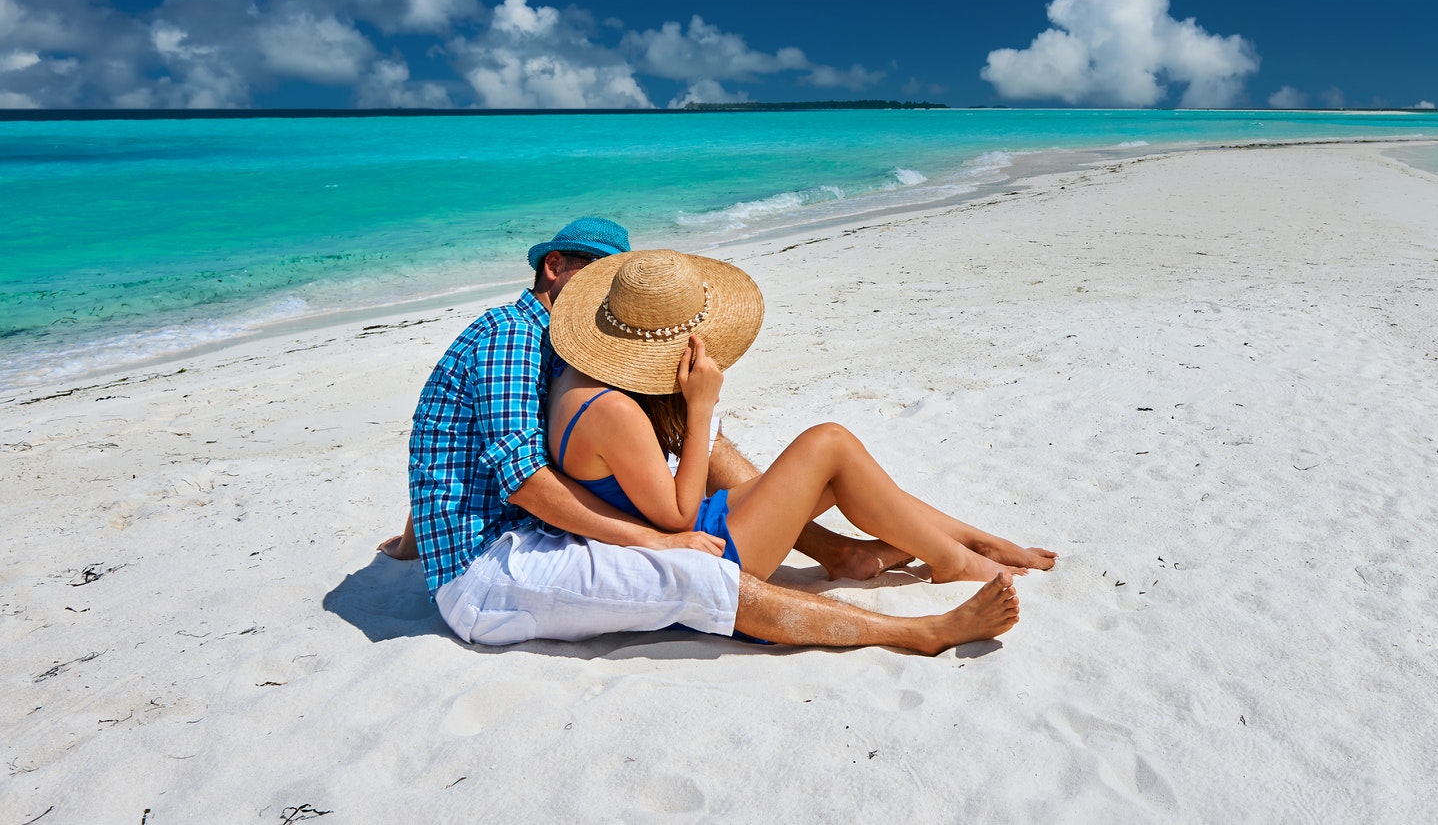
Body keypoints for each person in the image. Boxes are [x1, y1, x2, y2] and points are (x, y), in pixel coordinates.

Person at [389, 216, 1020, 653]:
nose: (612, 302)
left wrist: (418, 532)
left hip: (531, 530)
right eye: (602, 282)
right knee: (700, 579)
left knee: (796, 452)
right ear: (556, 268)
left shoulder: (561, 351)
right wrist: (659, 543)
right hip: (492, 565)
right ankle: (924, 631)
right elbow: (522, 478)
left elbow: (456, 441)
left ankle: (918, 546)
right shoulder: (513, 336)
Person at [544, 248, 1056, 586]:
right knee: (829, 442)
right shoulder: (612, 409)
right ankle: (955, 559)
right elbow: (675, 518)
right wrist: (699, 409)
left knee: (841, 471)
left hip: (700, 528)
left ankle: (965, 540)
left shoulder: (575, 378)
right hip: (709, 557)